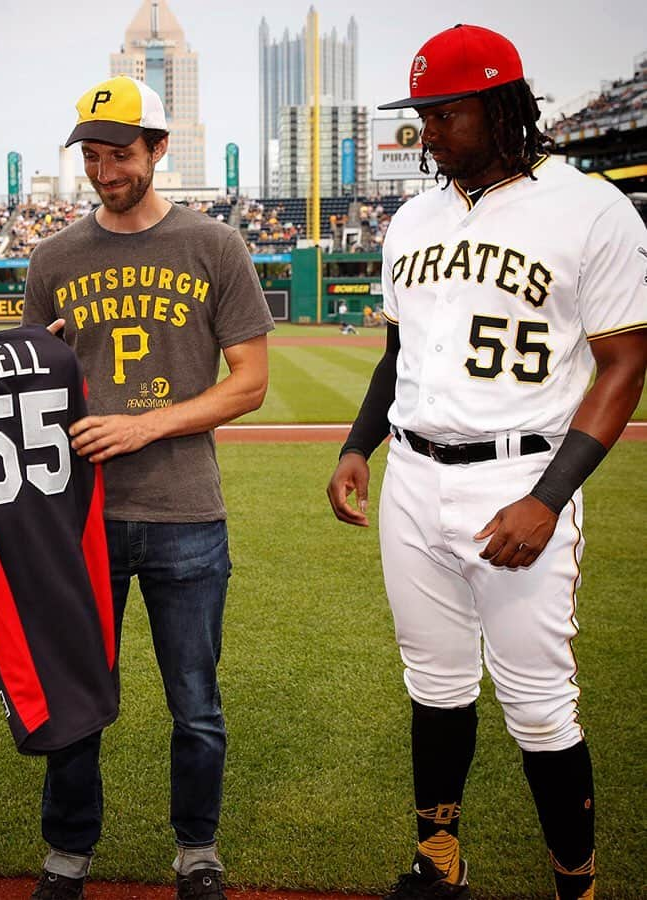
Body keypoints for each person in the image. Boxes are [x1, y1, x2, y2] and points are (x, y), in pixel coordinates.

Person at [327, 24, 646, 900]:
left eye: (444, 113)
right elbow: (400, 357)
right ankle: (440, 865)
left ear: (502, 107)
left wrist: (549, 498)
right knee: (433, 684)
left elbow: (625, 362)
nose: (425, 131)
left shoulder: (590, 207)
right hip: (414, 478)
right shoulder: (413, 217)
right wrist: (360, 446)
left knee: (540, 708)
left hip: (521, 477)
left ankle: (575, 884)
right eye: (420, 113)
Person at [22, 75, 274, 900]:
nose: (104, 170)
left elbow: (250, 384)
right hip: (80, 517)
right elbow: (24, 386)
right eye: (91, 155)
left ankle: (196, 851)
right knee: (78, 702)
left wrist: (141, 425)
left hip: (184, 514)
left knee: (195, 706)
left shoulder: (214, 245)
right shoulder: (53, 258)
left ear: (158, 149)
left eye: (120, 154)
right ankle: (68, 855)